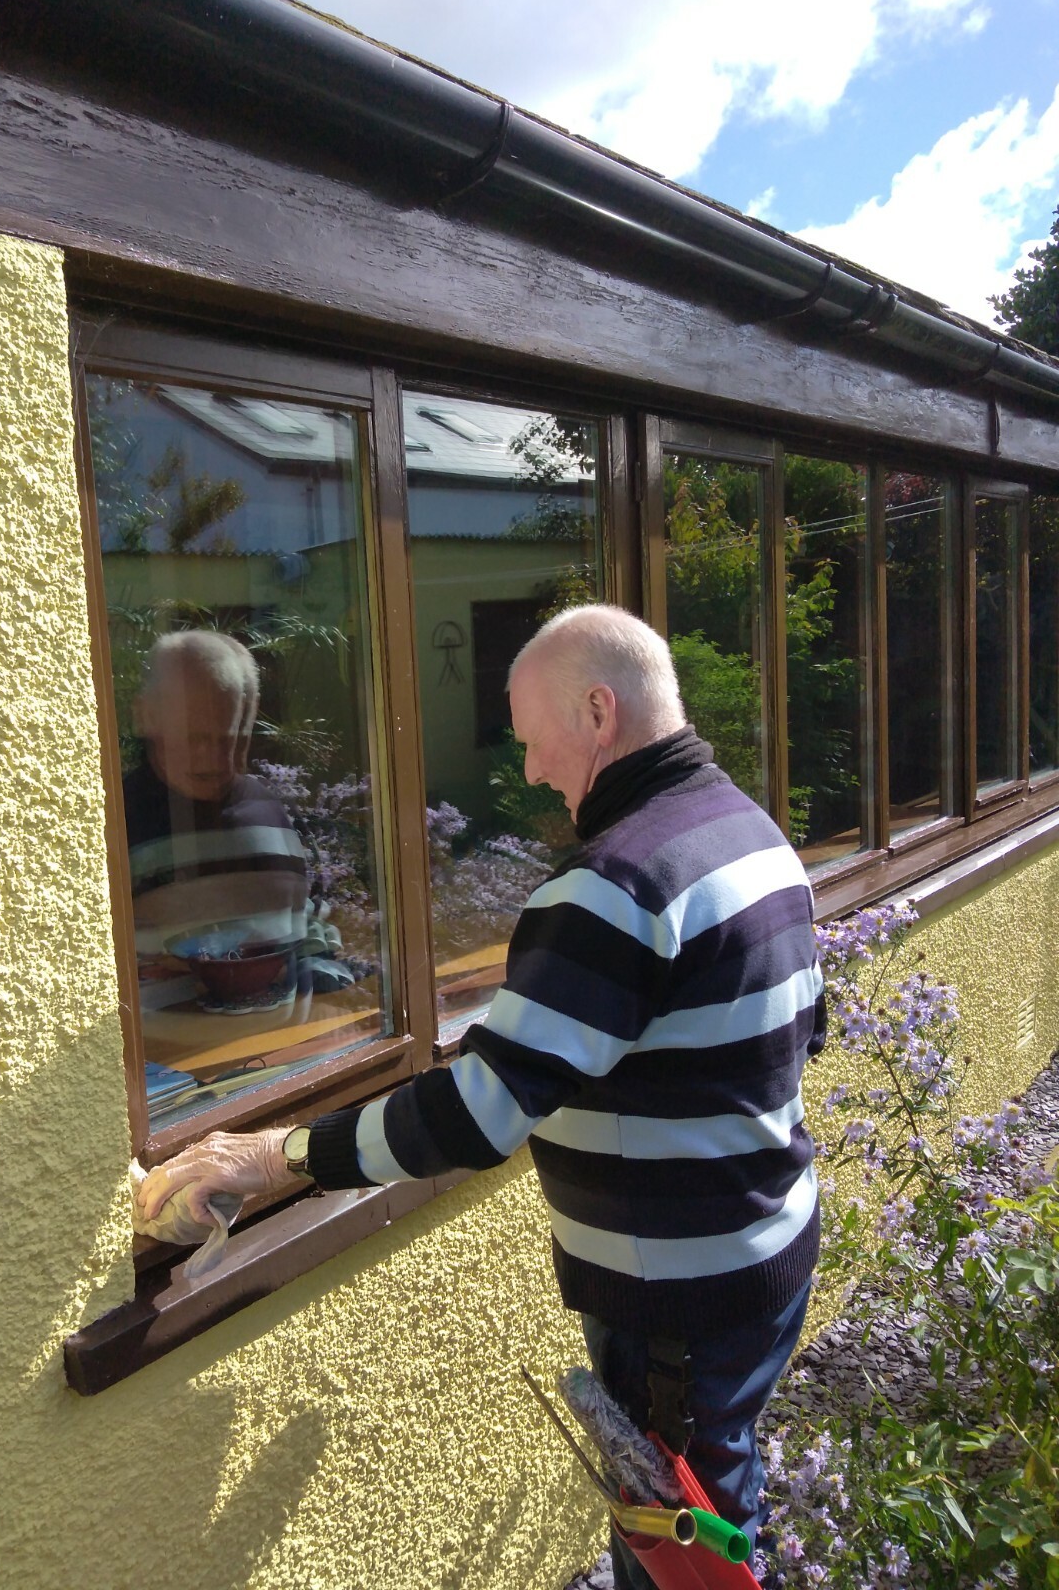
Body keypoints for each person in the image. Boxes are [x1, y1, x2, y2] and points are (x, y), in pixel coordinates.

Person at [138, 605, 825, 1587]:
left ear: (599, 712)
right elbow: (792, 1034)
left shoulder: (613, 886)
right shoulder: (747, 831)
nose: (532, 769)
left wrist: (278, 1154)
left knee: (679, 1553)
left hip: (680, 1303)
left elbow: (474, 1117)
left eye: (534, 738)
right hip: (769, 1252)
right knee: (722, 1504)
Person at [123, 630, 309, 964]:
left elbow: (306, 921)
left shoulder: (270, 810)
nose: (214, 759)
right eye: (194, 738)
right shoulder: (116, 820)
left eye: (230, 738)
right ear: (146, 716)